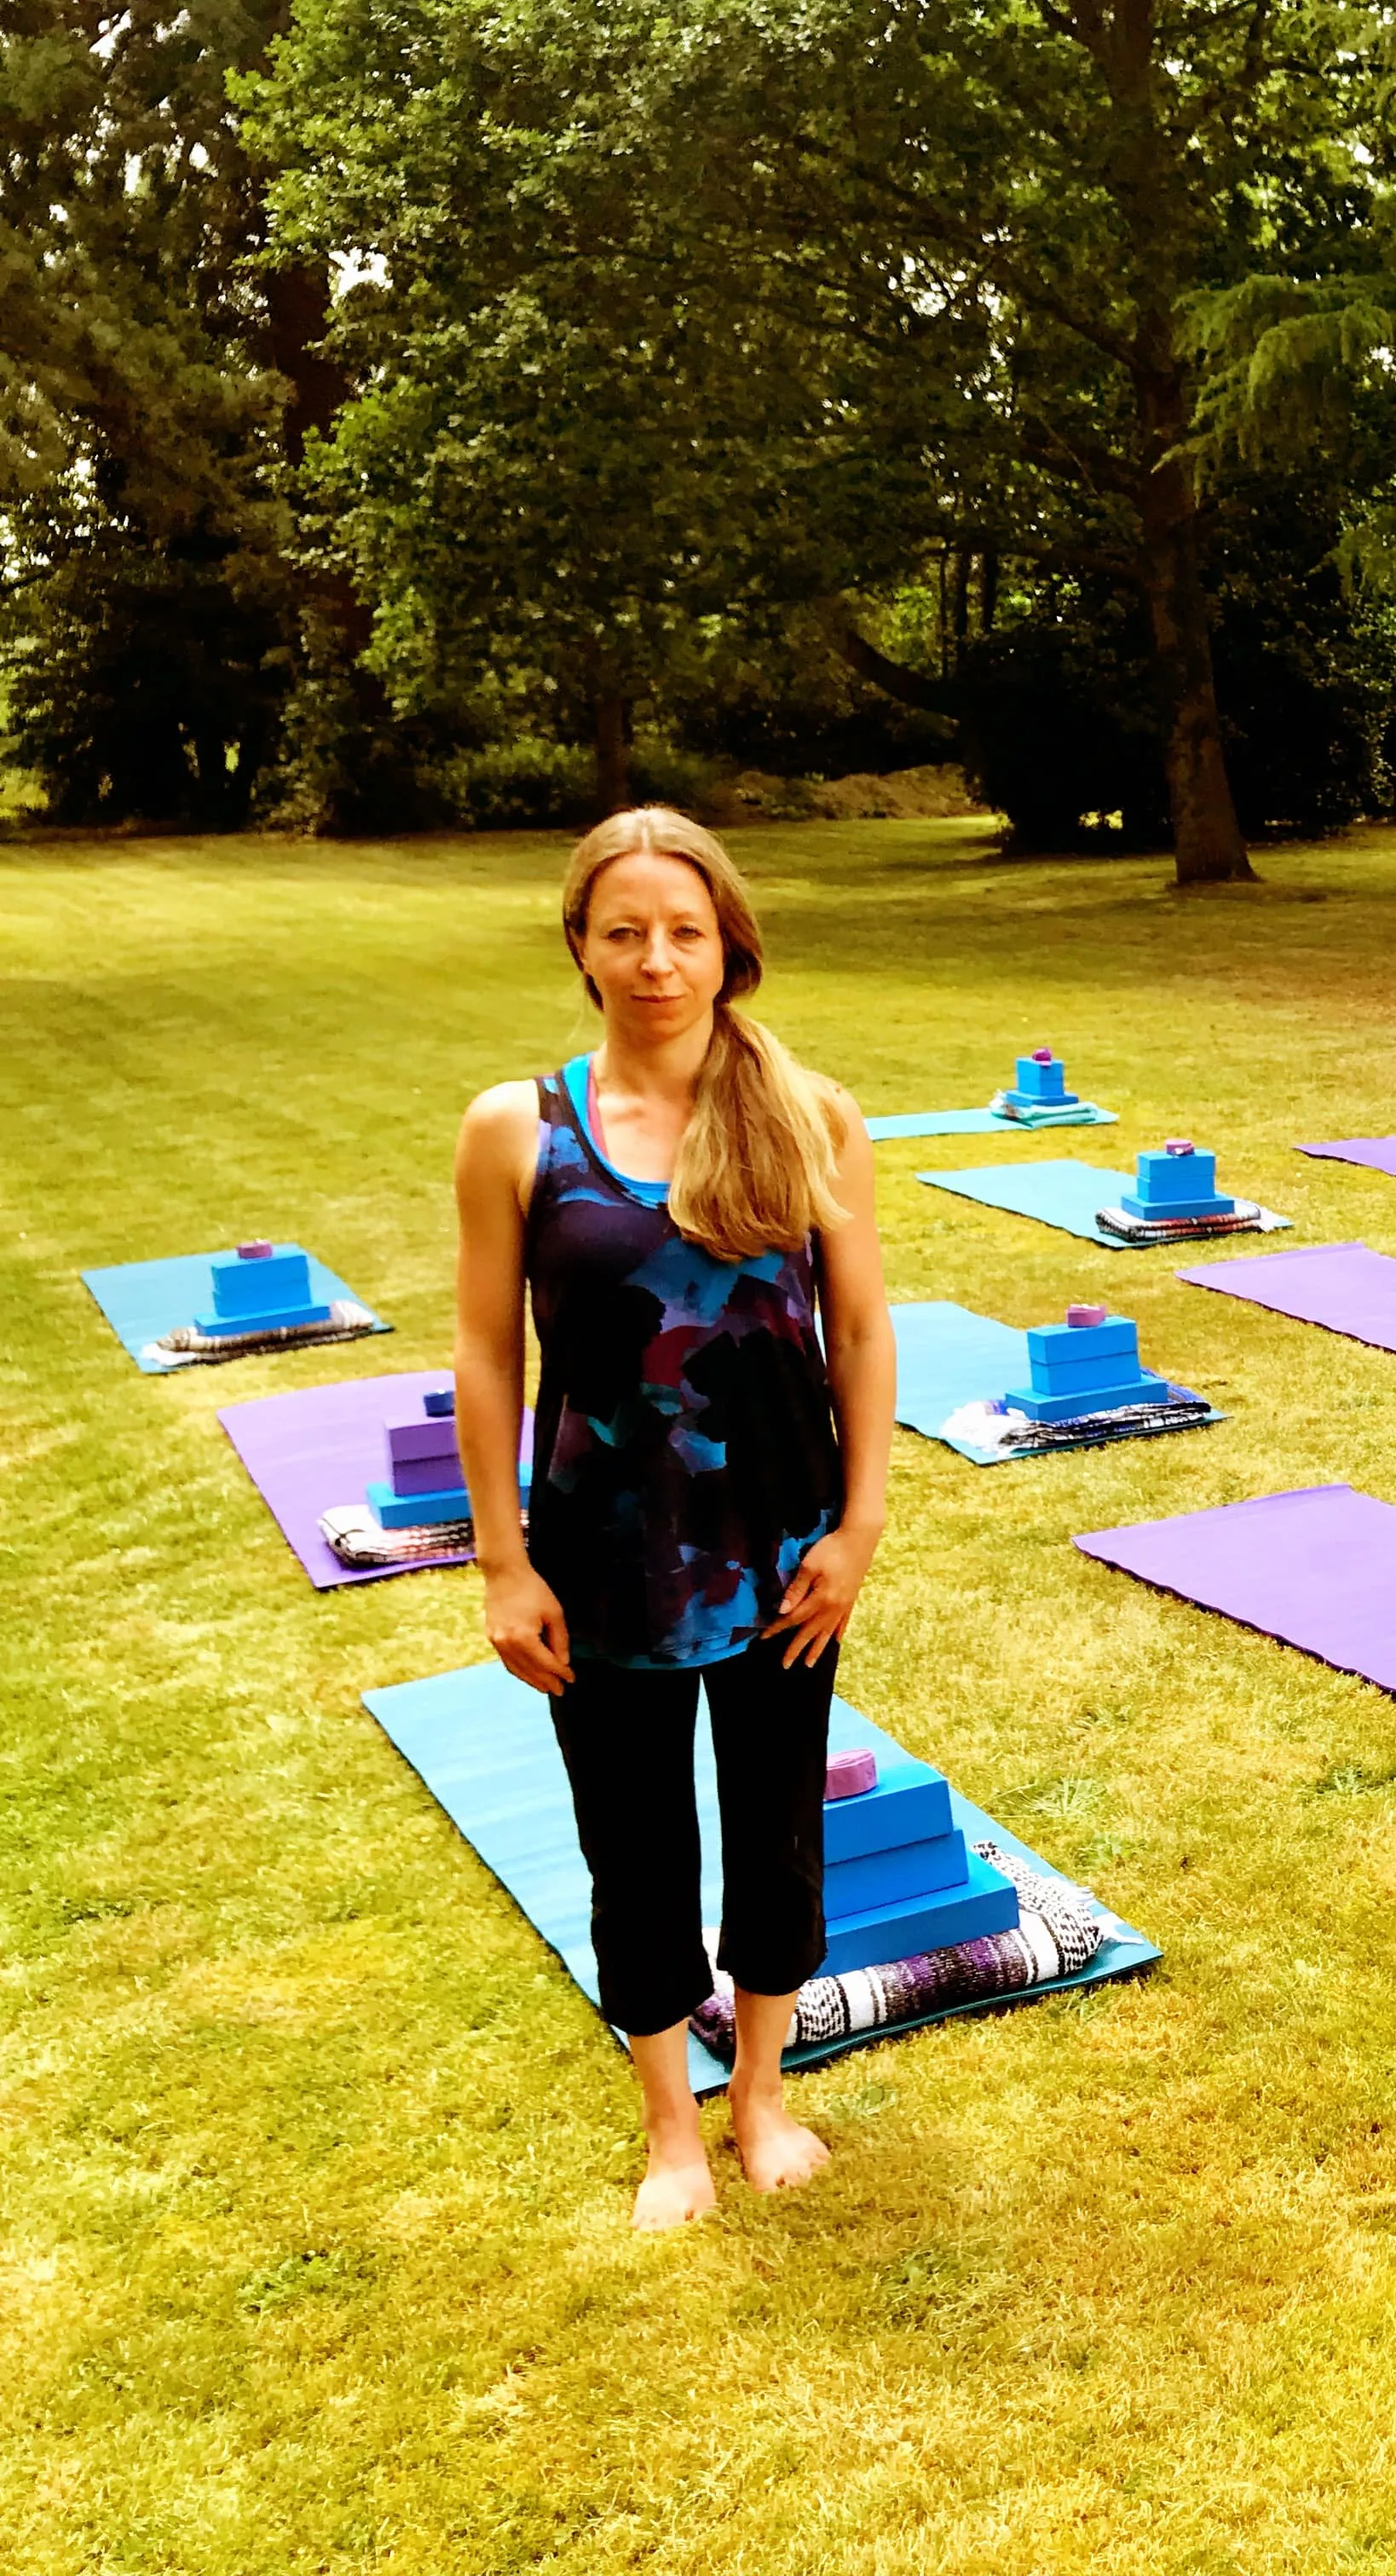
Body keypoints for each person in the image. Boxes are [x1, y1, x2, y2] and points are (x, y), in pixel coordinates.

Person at [453, 808, 896, 2229]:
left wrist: (860, 1524)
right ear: (582, 946)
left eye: (684, 933)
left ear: (729, 948)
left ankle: (762, 2096)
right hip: (597, 1558)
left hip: (780, 1552)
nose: (656, 960)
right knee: (632, 1848)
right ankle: (671, 2132)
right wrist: (503, 1562)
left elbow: (865, 1330)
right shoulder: (517, 1128)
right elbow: (483, 1354)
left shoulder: (810, 1113)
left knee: (775, 1835)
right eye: (624, 931)